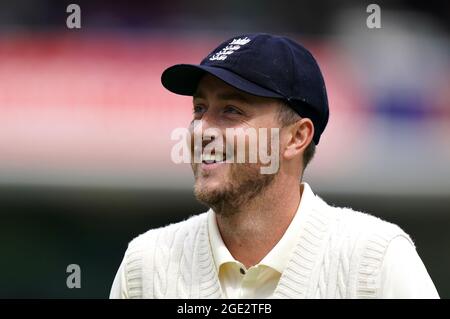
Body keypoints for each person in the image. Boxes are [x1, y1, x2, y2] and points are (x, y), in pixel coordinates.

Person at [110, 33, 439, 299]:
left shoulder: (375, 261)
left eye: (232, 111)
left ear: (296, 138)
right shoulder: (145, 265)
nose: (201, 130)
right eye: (199, 108)